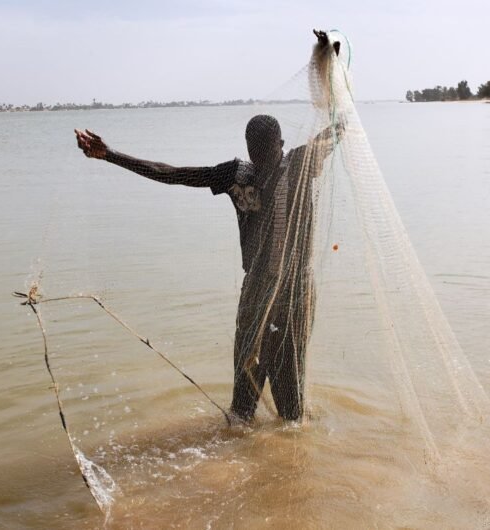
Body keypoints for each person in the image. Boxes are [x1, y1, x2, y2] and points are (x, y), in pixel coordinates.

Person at [75, 32, 341, 423]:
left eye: (266, 152)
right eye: (262, 153)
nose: (264, 160)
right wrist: (110, 155)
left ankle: (269, 458)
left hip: (288, 290)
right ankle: (272, 456)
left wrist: (328, 65)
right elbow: (173, 174)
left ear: (272, 146)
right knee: (264, 403)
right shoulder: (256, 171)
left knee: (276, 399)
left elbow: (337, 129)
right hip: (269, 290)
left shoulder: (278, 168)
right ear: (266, 147)